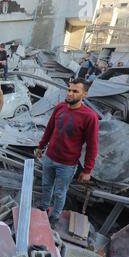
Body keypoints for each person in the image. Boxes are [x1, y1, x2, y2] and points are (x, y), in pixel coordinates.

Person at [35, 78, 99, 229]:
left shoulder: (90, 117)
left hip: (67, 164)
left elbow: (92, 145)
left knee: (60, 192)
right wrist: (41, 146)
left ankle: (55, 215)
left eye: (75, 91)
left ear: (84, 94)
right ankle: (44, 207)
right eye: (69, 90)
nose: (70, 93)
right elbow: (49, 129)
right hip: (49, 157)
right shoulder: (60, 108)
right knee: (46, 185)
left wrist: (87, 170)